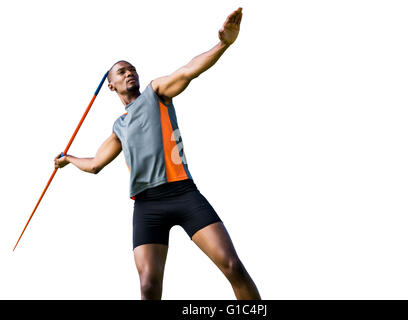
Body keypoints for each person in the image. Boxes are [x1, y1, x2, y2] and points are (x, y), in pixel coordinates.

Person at [54, 7, 260, 300]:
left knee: (231, 265)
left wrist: (223, 44)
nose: (130, 73)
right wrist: (68, 159)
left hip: (184, 194)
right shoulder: (119, 127)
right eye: (122, 71)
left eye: (132, 69)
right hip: (147, 207)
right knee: (149, 286)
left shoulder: (156, 92)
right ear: (111, 84)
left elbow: (190, 69)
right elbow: (96, 164)